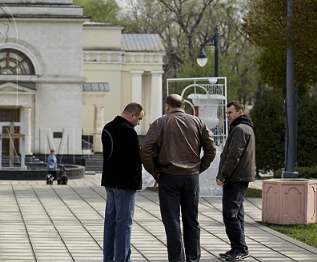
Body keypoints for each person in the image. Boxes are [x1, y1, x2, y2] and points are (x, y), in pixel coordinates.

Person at [141, 94, 216, 262]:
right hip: (191, 177)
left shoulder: (160, 122)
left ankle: (177, 259)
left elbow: (145, 150)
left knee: (172, 221)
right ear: (183, 106)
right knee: (192, 220)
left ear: (167, 106)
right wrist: (200, 167)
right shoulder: (197, 122)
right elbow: (211, 148)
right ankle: (193, 258)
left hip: (169, 175)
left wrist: (155, 172)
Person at [101, 102, 145, 262]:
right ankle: (122, 259)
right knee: (124, 223)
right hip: (125, 183)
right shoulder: (128, 132)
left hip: (110, 181)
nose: (139, 123)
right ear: (132, 115)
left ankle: (109, 258)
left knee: (110, 222)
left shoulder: (107, 127)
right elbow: (135, 158)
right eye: (139, 119)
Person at [216, 101, 256, 261]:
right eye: (226, 113)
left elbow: (234, 156)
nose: (227, 116)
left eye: (230, 113)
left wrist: (222, 175)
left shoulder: (240, 129)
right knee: (237, 214)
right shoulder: (244, 128)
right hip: (238, 177)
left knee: (230, 215)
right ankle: (236, 248)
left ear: (240, 112)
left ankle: (240, 248)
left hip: (236, 177)